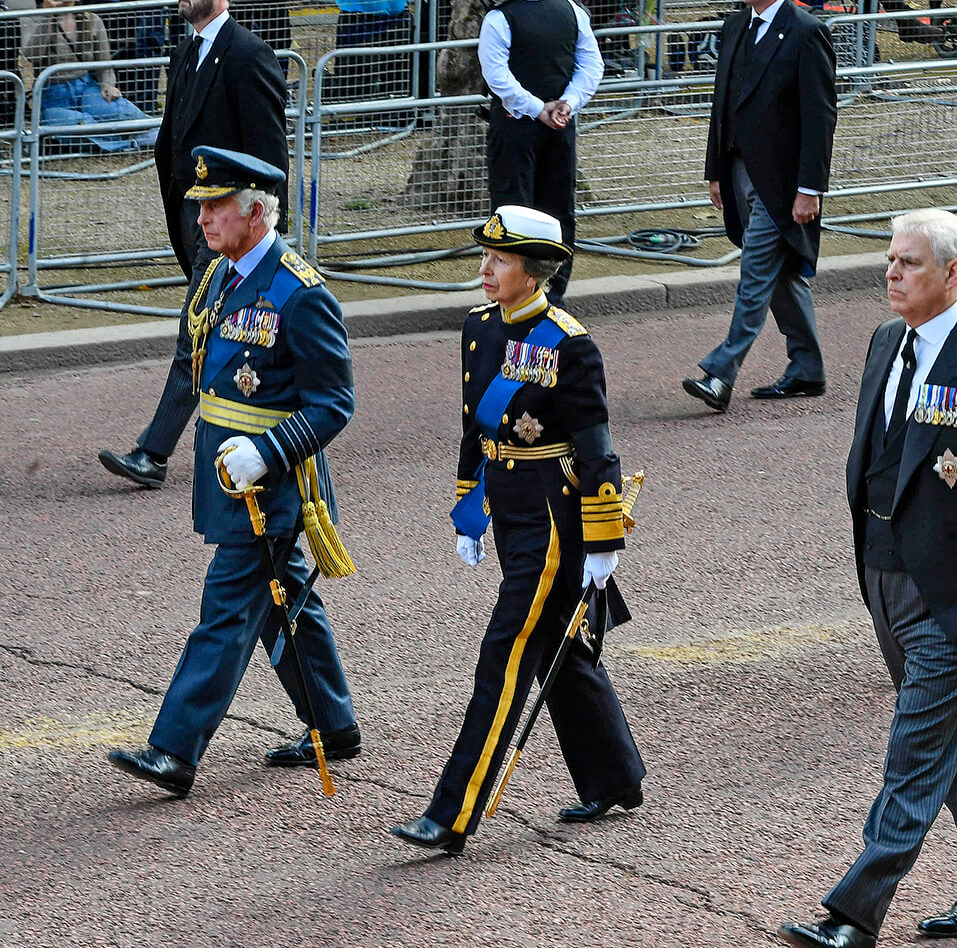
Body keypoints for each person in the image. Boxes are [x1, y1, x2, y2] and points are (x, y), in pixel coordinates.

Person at [778, 209, 957, 948]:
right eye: (890, 261)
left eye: (911, 264)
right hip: (886, 577)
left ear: (954, 274)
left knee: (914, 749)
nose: (892, 274)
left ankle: (853, 914)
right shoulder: (883, 344)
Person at [107, 147, 359, 798]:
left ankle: (174, 749)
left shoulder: (299, 292)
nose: (202, 219)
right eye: (201, 206)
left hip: (268, 484)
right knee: (284, 602)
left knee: (225, 612)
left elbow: (334, 404)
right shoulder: (222, 275)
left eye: (215, 206)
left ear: (254, 210)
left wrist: (267, 454)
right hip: (228, 474)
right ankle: (333, 725)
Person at [392, 205, 644, 855]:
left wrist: (603, 540)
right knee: (562, 648)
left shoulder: (568, 343)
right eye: (486, 258)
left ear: (534, 273)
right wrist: (467, 512)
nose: (485, 270)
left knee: (503, 657)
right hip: (507, 507)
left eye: (500, 261)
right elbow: (474, 428)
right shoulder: (478, 328)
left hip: (555, 519)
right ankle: (615, 776)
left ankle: (452, 813)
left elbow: (596, 449)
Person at [97, 0, 288, 491]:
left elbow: (269, 153)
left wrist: (256, 226)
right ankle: (271, 422)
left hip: (231, 224)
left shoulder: (248, 54)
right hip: (192, 214)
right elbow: (172, 137)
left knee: (196, 333)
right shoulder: (184, 50)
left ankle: (153, 452)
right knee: (231, 332)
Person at [682, 0, 836, 412]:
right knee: (782, 273)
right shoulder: (735, 25)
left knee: (755, 271)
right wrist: (715, 169)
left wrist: (810, 189)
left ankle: (721, 373)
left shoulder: (806, 31)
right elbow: (723, 101)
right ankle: (807, 368)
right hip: (739, 169)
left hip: (783, 184)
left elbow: (820, 116)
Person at [478, 0, 602, 304]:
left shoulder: (499, 17)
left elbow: (497, 76)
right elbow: (592, 66)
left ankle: (512, 296)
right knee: (558, 211)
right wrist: (567, 104)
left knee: (511, 210)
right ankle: (553, 294)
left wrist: (537, 109)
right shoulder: (572, 10)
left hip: (515, 127)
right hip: (560, 124)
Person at [21, 0, 158, 152]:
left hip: (86, 87)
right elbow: (32, 55)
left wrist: (108, 84)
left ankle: (154, 130)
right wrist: (47, 15)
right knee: (79, 126)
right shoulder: (33, 18)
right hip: (53, 95)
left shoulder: (91, 19)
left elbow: (104, 64)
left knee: (121, 111)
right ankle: (129, 142)